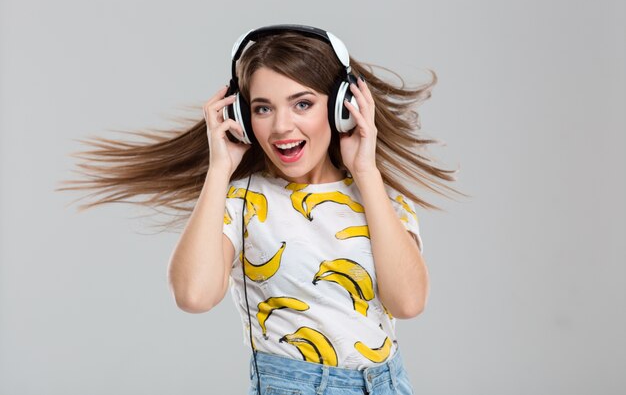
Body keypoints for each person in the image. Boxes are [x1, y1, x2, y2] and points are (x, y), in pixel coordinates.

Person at [57, 24, 465, 394]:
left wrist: (366, 171)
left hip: (389, 384)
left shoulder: (384, 199)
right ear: (242, 116)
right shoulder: (242, 201)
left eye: (302, 104)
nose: (282, 126)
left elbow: (408, 303)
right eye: (263, 108)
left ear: (342, 108)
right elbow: (194, 295)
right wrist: (219, 169)